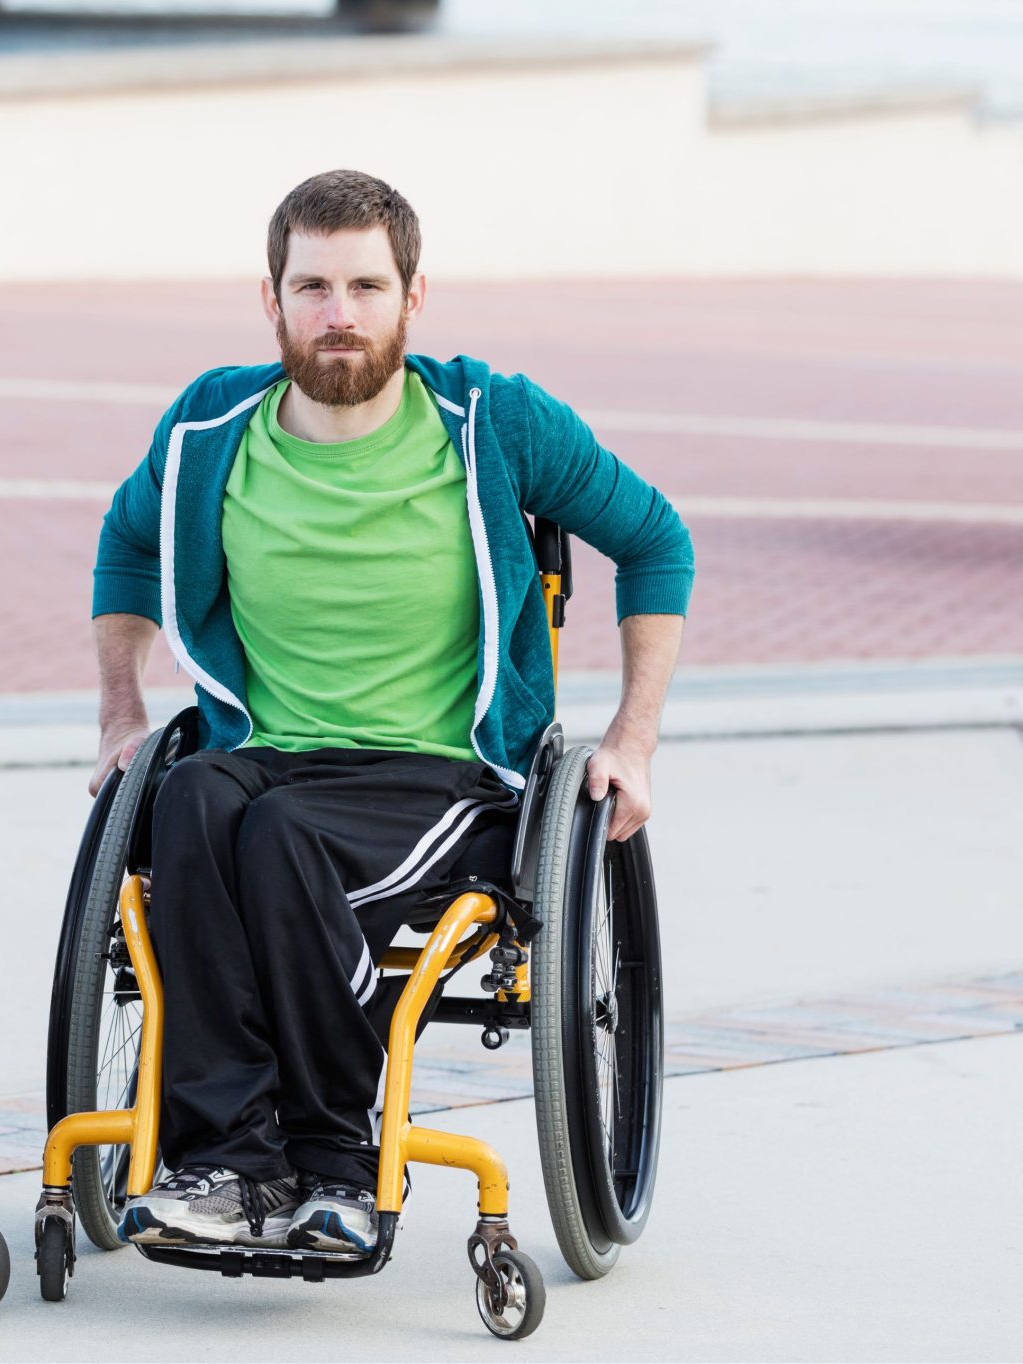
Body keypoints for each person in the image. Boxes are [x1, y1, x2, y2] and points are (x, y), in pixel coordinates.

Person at [90, 170, 694, 1254]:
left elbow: (654, 540)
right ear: (267, 299)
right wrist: (118, 711)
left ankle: (334, 1163)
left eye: (365, 285)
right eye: (311, 285)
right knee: (186, 802)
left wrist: (630, 738)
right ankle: (225, 1158)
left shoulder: (489, 418)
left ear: (412, 298)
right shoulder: (208, 426)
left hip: (440, 771)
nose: (338, 313)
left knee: (279, 841)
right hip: (265, 751)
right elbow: (129, 543)